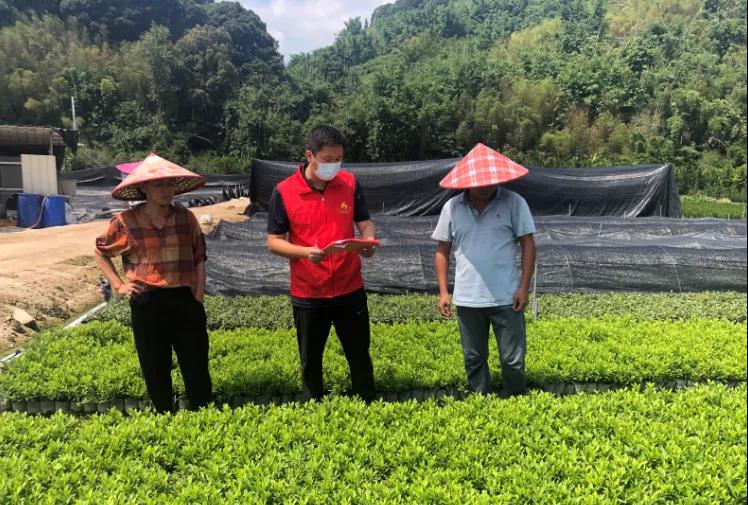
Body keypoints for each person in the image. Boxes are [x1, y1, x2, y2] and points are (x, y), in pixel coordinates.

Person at [93, 153, 212, 413]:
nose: (166, 190)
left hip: (184, 299)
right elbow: (100, 252)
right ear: (144, 188)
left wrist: (198, 297)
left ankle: (202, 414)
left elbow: (199, 258)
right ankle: (164, 414)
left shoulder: (186, 218)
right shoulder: (126, 222)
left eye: (169, 184)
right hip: (147, 301)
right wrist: (118, 285)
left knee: (196, 363)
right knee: (155, 364)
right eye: (158, 185)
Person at [267, 125, 377, 402]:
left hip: (350, 287)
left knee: (359, 356)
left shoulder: (349, 184)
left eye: (338, 159)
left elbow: (365, 222)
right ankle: (313, 409)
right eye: (328, 159)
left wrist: (368, 241)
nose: (334, 165)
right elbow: (274, 241)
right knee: (311, 361)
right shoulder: (284, 191)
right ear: (310, 156)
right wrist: (305, 253)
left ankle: (368, 406)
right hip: (309, 293)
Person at [432, 143, 536, 397]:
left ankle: (515, 401)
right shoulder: (452, 207)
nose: (486, 186)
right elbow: (442, 250)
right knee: (473, 357)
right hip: (468, 298)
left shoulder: (514, 203)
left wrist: (523, 288)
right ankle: (480, 402)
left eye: (491, 180)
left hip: (507, 297)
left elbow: (528, 244)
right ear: (467, 180)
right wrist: (444, 292)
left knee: (512, 359)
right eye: (479, 181)